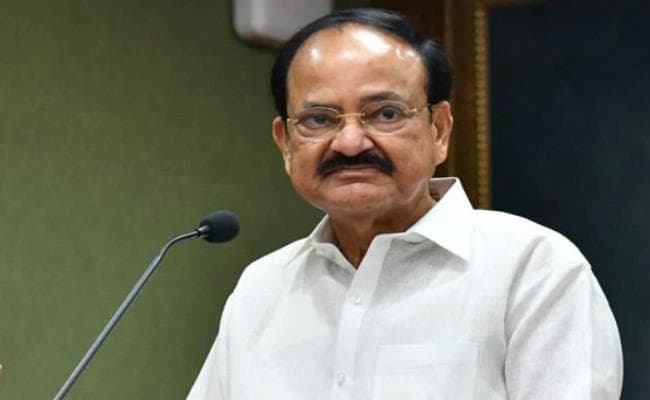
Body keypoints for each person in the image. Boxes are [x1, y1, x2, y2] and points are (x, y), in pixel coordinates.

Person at [188, 8, 622, 399]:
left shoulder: (532, 269)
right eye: (319, 119)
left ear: (439, 130)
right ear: (285, 144)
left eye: (385, 114)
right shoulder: (260, 289)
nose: (350, 142)